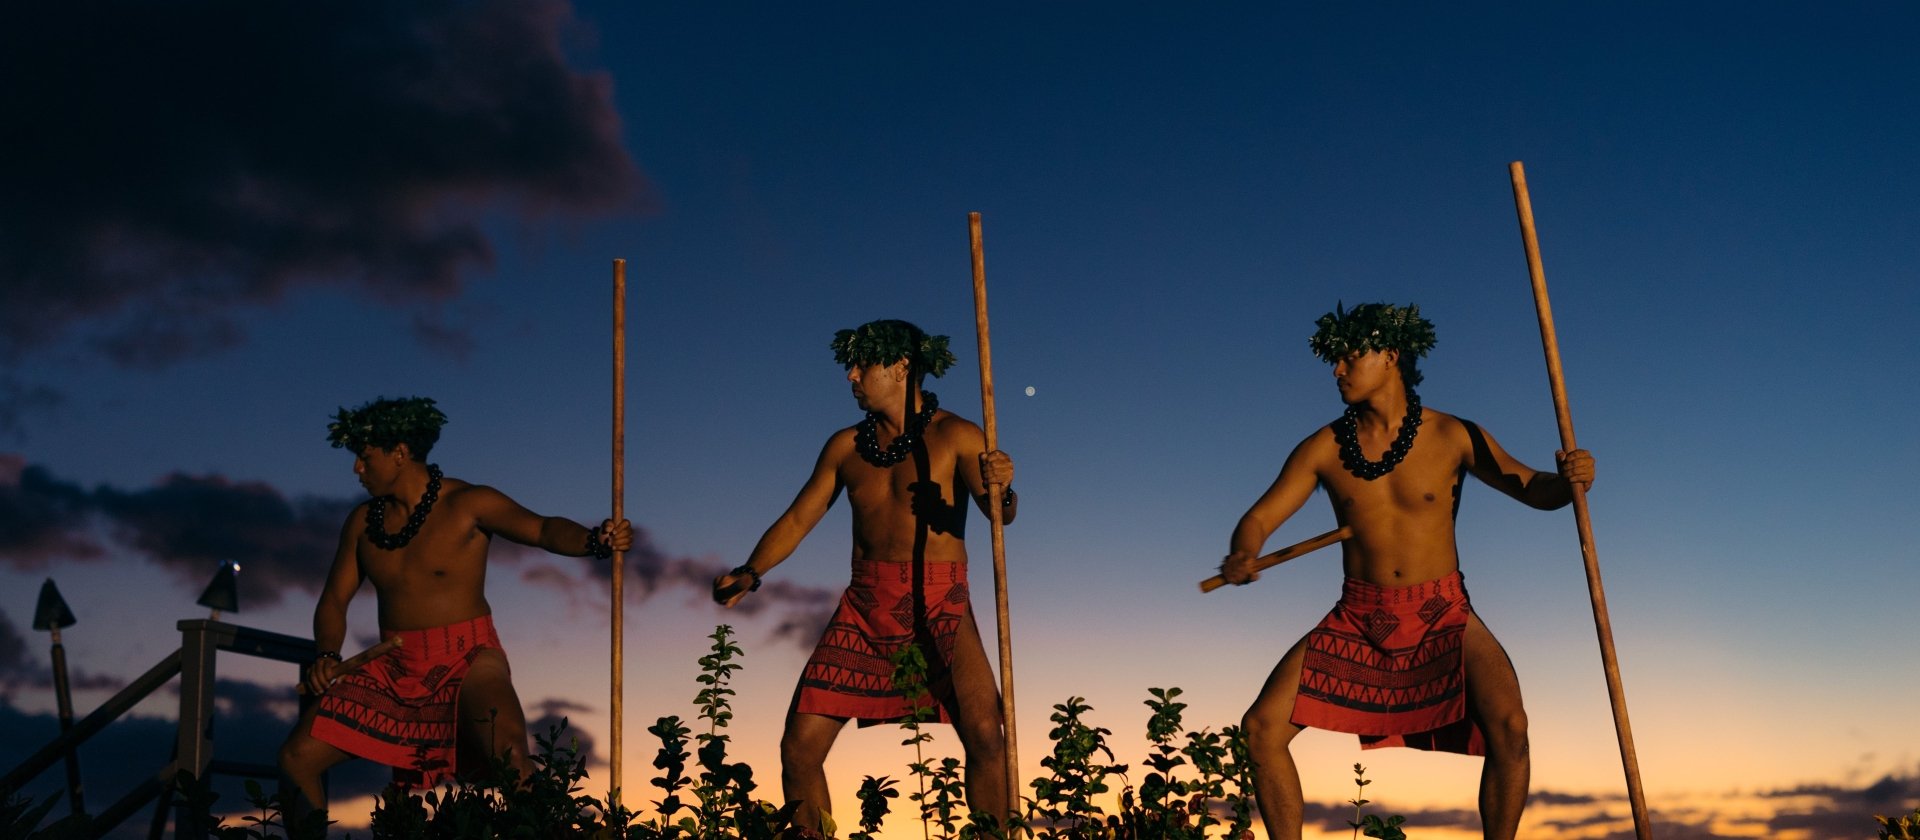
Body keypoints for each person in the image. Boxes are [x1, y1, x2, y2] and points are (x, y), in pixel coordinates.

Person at [1219, 303, 1594, 840]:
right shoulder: (1323, 449)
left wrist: (1571, 480)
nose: (1338, 370)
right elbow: (1259, 518)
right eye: (1335, 359)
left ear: (1391, 356)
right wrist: (1243, 550)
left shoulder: (1453, 435)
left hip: (1443, 613)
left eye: (1350, 357)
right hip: (1359, 618)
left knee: (1511, 728)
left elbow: (1533, 489)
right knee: (1261, 729)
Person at [713, 319, 1017, 833]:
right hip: (866, 603)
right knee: (799, 746)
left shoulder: (957, 435)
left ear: (901, 367)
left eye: (863, 365)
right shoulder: (845, 447)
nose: (851, 375)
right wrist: (751, 570)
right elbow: (797, 518)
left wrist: (1001, 487)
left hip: (941, 599)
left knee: (987, 732)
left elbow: (1000, 515)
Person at [278, 396, 631, 818]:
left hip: (469, 657)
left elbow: (541, 528)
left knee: (510, 755)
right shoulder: (361, 523)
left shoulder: (468, 504)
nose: (357, 468)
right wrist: (327, 654)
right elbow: (334, 600)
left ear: (400, 453)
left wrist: (595, 541)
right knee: (296, 759)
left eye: (364, 457)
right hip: (392, 664)